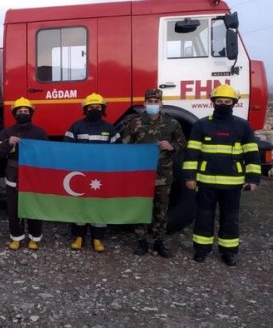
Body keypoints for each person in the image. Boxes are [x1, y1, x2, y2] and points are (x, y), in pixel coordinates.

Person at [183, 84, 260, 266]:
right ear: (213, 102)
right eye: (220, 101)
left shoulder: (243, 126)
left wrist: (253, 179)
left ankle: (228, 252)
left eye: (227, 101)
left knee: (230, 218)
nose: (223, 104)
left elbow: (252, 154)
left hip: (233, 184)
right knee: (204, 216)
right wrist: (189, 177)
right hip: (205, 182)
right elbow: (192, 153)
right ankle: (201, 250)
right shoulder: (201, 125)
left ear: (234, 103)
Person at [121, 88, 186, 258]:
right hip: (141, 177)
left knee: (161, 210)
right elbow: (124, 148)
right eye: (149, 101)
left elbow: (183, 145)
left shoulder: (172, 123)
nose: (152, 104)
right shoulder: (134, 123)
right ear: (144, 103)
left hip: (163, 176)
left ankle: (159, 242)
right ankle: (141, 242)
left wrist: (171, 146)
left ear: (161, 103)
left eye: (155, 102)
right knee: (141, 209)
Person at [63, 93, 121, 252]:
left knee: (99, 205)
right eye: (91, 107)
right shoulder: (76, 126)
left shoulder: (110, 129)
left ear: (103, 109)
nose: (94, 109)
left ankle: (97, 238)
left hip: (101, 175)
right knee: (79, 205)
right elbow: (66, 149)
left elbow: (118, 152)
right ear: (85, 109)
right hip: (80, 173)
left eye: (97, 107)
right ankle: (78, 237)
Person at [0, 97, 48, 250]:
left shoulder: (39, 133)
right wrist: (7, 143)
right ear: (14, 114)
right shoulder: (7, 132)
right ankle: (16, 237)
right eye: (20, 111)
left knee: (33, 206)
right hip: (13, 173)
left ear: (31, 113)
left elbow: (46, 155)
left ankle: (34, 238)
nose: (23, 113)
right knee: (13, 207)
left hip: (32, 174)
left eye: (26, 111)